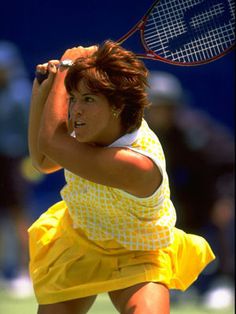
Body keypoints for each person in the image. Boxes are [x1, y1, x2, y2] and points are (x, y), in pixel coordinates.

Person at [28, 41, 215, 314]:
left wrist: (67, 66)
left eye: (88, 99)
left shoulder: (135, 163)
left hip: (138, 253)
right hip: (80, 241)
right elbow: (43, 161)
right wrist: (42, 89)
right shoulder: (88, 129)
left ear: (117, 105)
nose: (75, 110)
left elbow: (50, 144)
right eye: (73, 98)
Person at [145, 71, 235, 307]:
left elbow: (228, 164)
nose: (155, 112)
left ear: (173, 107)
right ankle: (176, 283)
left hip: (219, 189)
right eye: (151, 106)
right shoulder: (147, 134)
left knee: (223, 221)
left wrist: (225, 200)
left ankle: (224, 282)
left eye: (161, 106)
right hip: (187, 195)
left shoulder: (193, 130)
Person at [0, 40, 33, 296]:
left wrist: (30, 162)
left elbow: (30, 133)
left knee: (19, 217)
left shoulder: (21, 93)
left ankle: (25, 272)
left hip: (13, 163)